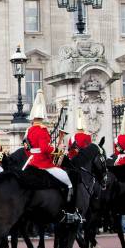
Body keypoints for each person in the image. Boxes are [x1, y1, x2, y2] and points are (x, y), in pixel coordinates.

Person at [23, 90, 79, 223]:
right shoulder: (42, 130)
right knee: (69, 182)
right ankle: (69, 212)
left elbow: (27, 150)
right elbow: (44, 148)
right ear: (42, 116)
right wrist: (57, 149)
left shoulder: (28, 130)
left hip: (31, 162)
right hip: (43, 163)